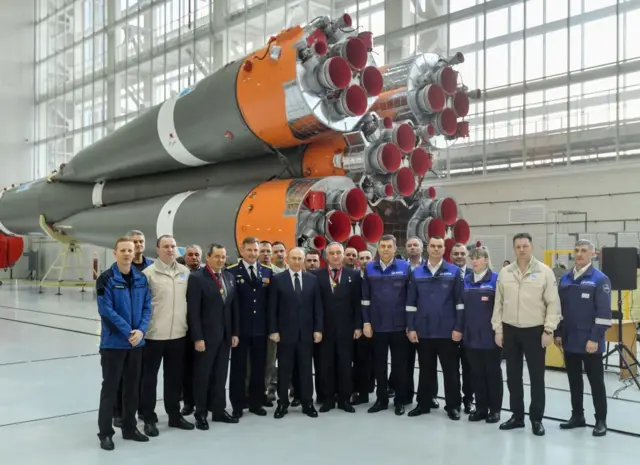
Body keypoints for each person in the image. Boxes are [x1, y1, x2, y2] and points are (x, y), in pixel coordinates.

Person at [492, 233, 561, 436]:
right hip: (510, 330)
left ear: (531, 247)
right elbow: (498, 303)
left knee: (536, 377)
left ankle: (537, 419)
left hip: (535, 331)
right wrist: (498, 329)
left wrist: (549, 329)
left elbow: (553, 303)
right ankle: (517, 416)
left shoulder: (544, 272)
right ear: (514, 249)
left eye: (525, 246)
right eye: (518, 246)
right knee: (513, 376)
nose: (521, 249)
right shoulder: (505, 272)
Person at [96, 236, 152, 451]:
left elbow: (147, 307)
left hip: (136, 344)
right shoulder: (106, 279)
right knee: (110, 389)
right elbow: (105, 310)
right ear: (115, 253)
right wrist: (128, 331)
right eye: (123, 250)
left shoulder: (141, 278)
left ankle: (130, 428)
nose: (128, 253)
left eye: (131, 250)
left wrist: (141, 330)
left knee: (132, 388)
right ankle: (105, 433)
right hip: (113, 345)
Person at [405, 236, 464, 421]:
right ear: (427, 248)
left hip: (448, 331)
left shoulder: (454, 272)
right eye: (433, 246)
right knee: (425, 370)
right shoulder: (417, 273)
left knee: (451, 371)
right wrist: (411, 327)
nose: (436, 249)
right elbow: (411, 304)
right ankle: (423, 404)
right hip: (424, 330)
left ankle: (453, 406)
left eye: (440, 246)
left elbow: (460, 303)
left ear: (444, 249)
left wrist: (458, 327)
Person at [555, 240, 610, 437]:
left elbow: (604, 314)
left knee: (596, 382)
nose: (579, 254)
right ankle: (577, 416)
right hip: (569, 340)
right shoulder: (566, 279)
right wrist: (558, 333)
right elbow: (559, 309)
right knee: (574, 381)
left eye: (584, 251)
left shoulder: (599, 280)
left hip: (590, 342)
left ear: (593, 254)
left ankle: (601, 420)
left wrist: (595, 338)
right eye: (576, 251)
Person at [140, 235, 194, 436]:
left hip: (178, 335)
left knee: (174, 378)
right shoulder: (148, 274)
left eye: (173, 246)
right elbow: (143, 306)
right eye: (166, 246)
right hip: (154, 336)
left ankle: (174, 415)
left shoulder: (184, 272)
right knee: (149, 379)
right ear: (158, 250)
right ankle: (149, 418)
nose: (170, 250)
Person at [187, 243, 240, 430]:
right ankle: (200, 413)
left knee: (220, 375)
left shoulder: (229, 277)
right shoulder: (197, 278)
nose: (220, 260)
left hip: (225, 337)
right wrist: (198, 338)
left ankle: (218, 410)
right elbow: (193, 311)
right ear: (208, 258)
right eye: (217, 256)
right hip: (206, 338)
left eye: (223, 257)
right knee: (203, 375)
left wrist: (234, 332)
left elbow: (232, 308)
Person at [268, 247, 323, 419]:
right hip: (285, 334)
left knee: (306, 370)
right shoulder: (278, 279)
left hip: (306, 334)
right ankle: (282, 403)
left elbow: (317, 308)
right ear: (288, 259)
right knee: (284, 370)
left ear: (304, 260)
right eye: (294, 258)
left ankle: (307, 402)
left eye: (300, 258)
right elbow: (272, 308)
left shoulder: (312, 280)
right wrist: (273, 330)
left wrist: (318, 329)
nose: (297, 261)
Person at [362, 234, 410, 415]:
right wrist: (366, 322)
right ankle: (381, 399)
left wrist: (410, 324)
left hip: (399, 326)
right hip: (377, 326)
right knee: (379, 365)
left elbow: (411, 298)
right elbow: (365, 299)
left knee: (400, 366)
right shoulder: (369, 268)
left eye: (389, 246)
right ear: (378, 248)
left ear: (395, 248)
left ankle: (399, 401)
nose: (386, 249)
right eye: (383, 246)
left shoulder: (405, 268)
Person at [227, 237, 272, 418]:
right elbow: (230, 304)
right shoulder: (231, 271)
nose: (253, 254)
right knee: (238, 368)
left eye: (256, 250)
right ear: (242, 250)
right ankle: (238, 404)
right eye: (250, 250)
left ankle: (256, 402)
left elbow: (270, 302)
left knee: (258, 367)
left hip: (260, 328)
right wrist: (233, 330)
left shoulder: (267, 272)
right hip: (241, 329)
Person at [315, 242, 362, 413]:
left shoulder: (354, 275)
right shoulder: (317, 275)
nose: (335, 256)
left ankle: (344, 399)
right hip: (325, 329)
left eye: (338, 253)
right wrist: (317, 328)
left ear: (343, 255)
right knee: (326, 364)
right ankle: (328, 399)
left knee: (344, 364)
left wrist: (358, 326)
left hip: (346, 328)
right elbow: (315, 305)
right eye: (332, 253)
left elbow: (357, 303)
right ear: (326, 256)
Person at [463, 246, 502, 424]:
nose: (475, 261)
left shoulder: (496, 280)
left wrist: (500, 331)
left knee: (492, 374)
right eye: (473, 258)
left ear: (486, 260)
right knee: (476, 373)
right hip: (471, 336)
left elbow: (501, 308)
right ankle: (480, 408)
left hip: (490, 336)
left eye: (478, 258)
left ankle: (494, 409)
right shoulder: (466, 280)